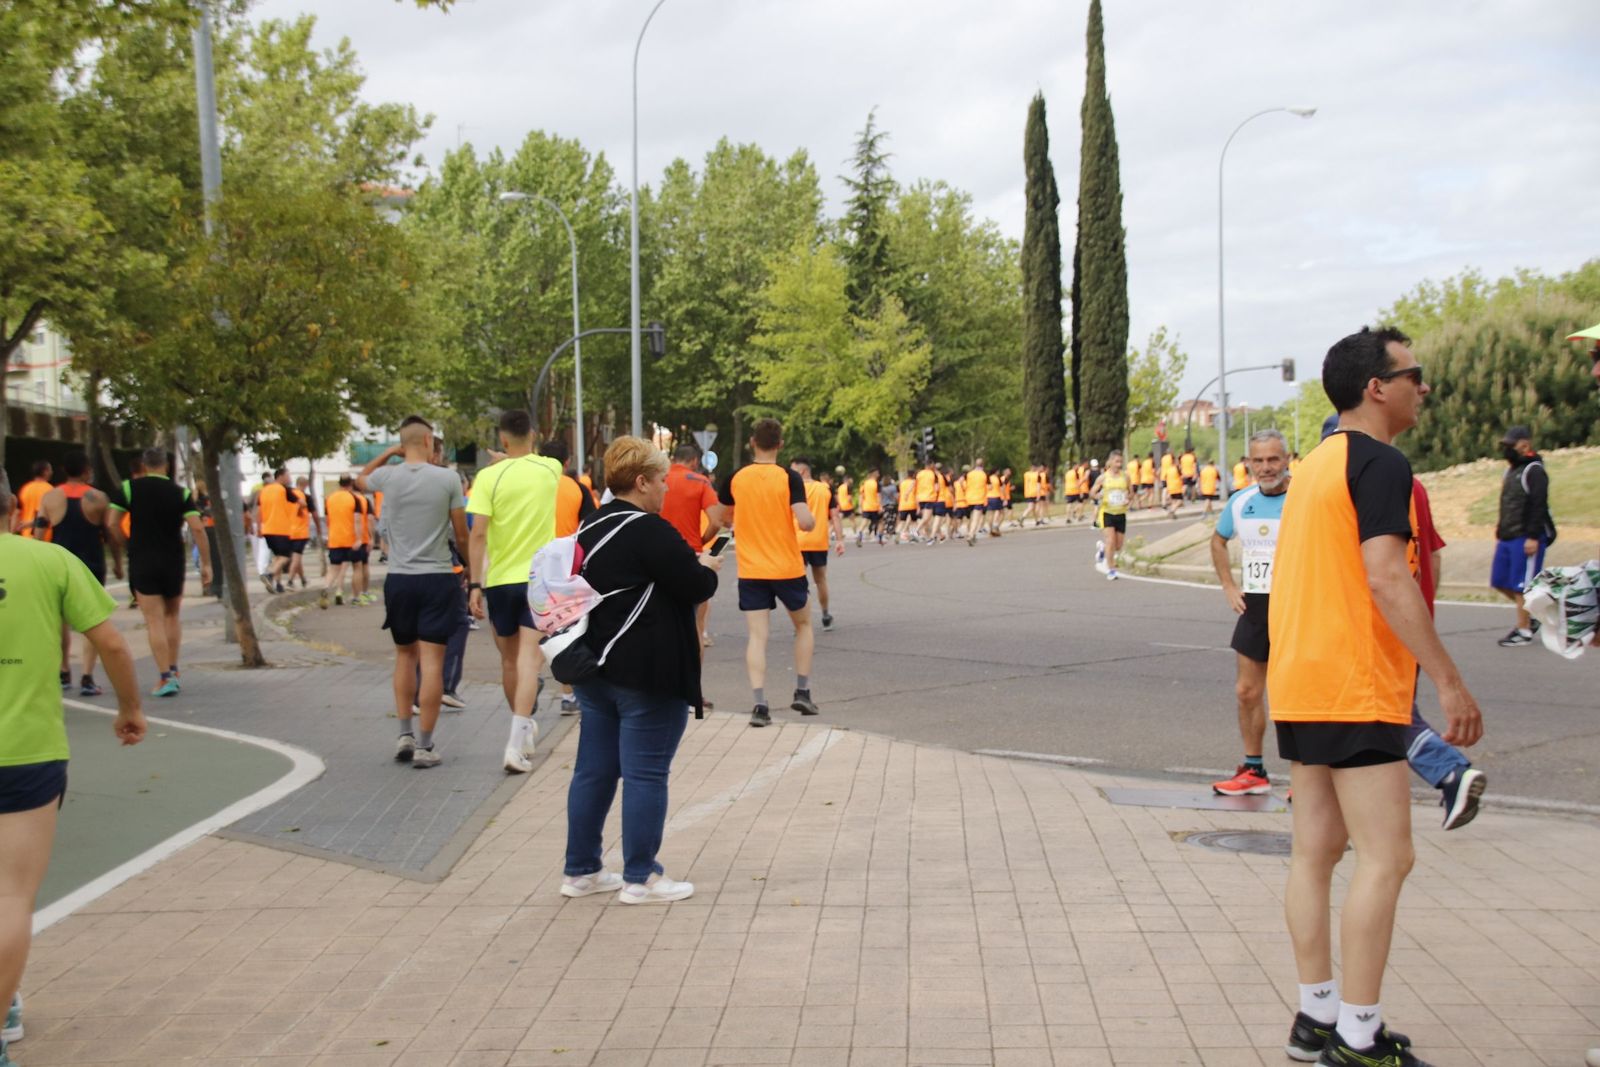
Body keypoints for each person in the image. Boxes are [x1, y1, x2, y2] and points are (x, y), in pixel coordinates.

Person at [1268, 326, 1482, 1066]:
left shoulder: (1317, 464)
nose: (1423, 386)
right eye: (1413, 374)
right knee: (1387, 857)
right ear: (1376, 387)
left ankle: (1314, 1017)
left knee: (1316, 851)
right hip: (1355, 685)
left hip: (1299, 682)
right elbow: (1388, 577)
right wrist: (1449, 679)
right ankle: (1358, 1035)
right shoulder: (1380, 462)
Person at [0, 472, 146, 1067]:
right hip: (27, 749)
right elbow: (111, 644)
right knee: (11, 895)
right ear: (13, 506)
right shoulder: (50, 561)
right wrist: (130, 709)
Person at [560, 437, 720, 905]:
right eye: (662, 480)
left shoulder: (591, 525)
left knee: (593, 770)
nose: (667, 489)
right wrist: (708, 565)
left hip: (593, 667)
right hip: (647, 671)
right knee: (646, 773)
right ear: (642, 481)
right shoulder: (650, 529)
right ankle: (640, 876)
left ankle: (581, 869)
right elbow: (693, 585)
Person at [358, 416, 469, 770]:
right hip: (437, 576)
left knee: (404, 657)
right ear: (427, 440)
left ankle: (404, 734)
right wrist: (468, 567)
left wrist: (390, 453)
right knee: (433, 661)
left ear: (404, 443)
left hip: (400, 579)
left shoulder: (388, 477)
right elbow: (460, 531)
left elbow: (360, 479)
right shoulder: (449, 478)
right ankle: (425, 745)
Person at [465, 410, 563, 773]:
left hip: (500, 581)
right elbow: (529, 460)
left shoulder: (487, 478)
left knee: (509, 662)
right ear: (534, 436)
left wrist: (475, 583)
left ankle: (521, 727)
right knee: (529, 662)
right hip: (539, 580)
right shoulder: (550, 469)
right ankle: (515, 743)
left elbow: (477, 534)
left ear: (502, 439)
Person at [714, 418, 818, 727]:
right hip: (787, 567)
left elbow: (721, 519)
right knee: (803, 626)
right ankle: (802, 691)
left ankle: (759, 704)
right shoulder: (789, 478)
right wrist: (809, 520)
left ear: (752, 442)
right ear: (780, 445)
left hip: (751, 569)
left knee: (757, 636)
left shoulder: (735, 478)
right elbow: (805, 521)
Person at [1208, 430, 1291, 797]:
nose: (1266, 467)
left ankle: (1309, 778)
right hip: (1257, 606)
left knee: (1297, 695)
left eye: (1273, 459)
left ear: (1287, 460)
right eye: (1258, 460)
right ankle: (1253, 770)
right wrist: (1228, 585)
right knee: (1246, 691)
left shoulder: (1305, 499)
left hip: (1298, 607)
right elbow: (1217, 540)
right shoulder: (1241, 502)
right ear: (1249, 463)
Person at [107, 447, 212, 697]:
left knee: (153, 620)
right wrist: (206, 564)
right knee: (172, 616)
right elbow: (197, 528)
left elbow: (112, 522)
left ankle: (164, 676)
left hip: (143, 559)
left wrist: (126, 543)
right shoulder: (182, 493)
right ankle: (174, 670)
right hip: (173, 560)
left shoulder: (129, 489)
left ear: (144, 465)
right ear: (165, 465)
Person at [37, 451, 121, 697]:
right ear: (86, 471)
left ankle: (64, 672)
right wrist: (118, 563)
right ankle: (87, 676)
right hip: (91, 564)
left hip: (58, 565)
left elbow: (40, 533)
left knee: (60, 621)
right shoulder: (98, 498)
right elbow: (108, 535)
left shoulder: (50, 497)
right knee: (91, 621)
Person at [661, 444, 722, 679]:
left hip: (659, 554)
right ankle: (692, 687)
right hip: (692, 556)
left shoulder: (657, 479)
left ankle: (666, 682)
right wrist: (701, 540)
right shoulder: (700, 482)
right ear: (695, 461)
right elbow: (716, 521)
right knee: (696, 625)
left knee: (662, 622)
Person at [1489, 425, 1553, 647]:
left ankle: (1524, 630)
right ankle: (1532, 615)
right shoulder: (1510, 471)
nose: (1506, 450)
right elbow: (1507, 503)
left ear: (1525, 445)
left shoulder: (1534, 470)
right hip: (1507, 536)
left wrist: (1533, 537)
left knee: (1521, 586)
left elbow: (1538, 505)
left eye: (1510, 445)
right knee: (1499, 581)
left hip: (1526, 537)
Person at [792, 460, 843, 631]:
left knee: (799, 583)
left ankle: (801, 622)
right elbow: (835, 516)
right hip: (819, 541)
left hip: (797, 541)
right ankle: (826, 615)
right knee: (820, 580)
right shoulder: (825, 489)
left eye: (793, 470)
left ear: (803, 471)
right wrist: (840, 540)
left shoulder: (792, 489)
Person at [255, 468, 305, 595]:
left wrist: (259, 527)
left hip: (267, 529)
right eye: (288, 476)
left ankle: (278, 585)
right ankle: (270, 575)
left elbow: (259, 510)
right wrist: (300, 507)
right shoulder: (284, 490)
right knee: (285, 556)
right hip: (280, 529)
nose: (290, 479)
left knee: (278, 556)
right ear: (281, 476)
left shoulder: (264, 491)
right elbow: (301, 502)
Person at [1088, 452, 1130, 580]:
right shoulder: (1103, 478)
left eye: (1120, 462)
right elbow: (1092, 492)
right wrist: (1097, 496)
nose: (1119, 464)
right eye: (1117, 461)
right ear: (1110, 462)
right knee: (1111, 541)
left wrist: (1128, 499)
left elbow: (1131, 492)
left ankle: (1102, 548)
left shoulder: (1126, 477)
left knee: (1118, 546)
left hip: (1121, 513)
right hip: (1107, 513)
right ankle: (1111, 570)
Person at [319, 475, 360, 609]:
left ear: (339, 483)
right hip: (349, 539)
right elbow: (357, 520)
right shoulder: (354, 498)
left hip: (334, 539)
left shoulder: (330, 498)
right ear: (350, 484)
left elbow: (327, 519)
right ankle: (339, 591)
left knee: (333, 568)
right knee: (345, 566)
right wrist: (358, 538)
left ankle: (326, 586)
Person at [287, 475, 319, 590]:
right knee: (296, 557)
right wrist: (318, 527)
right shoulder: (306, 497)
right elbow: (315, 514)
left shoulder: (289, 496)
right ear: (305, 485)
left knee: (296, 557)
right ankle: (290, 580)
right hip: (300, 532)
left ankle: (303, 579)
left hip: (287, 531)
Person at [13, 462, 51, 538]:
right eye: (50, 470)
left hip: (25, 535)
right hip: (44, 537)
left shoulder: (25, 489)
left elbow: (17, 512)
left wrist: (13, 532)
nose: (52, 472)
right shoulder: (50, 490)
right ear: (45, 471)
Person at [858, 468, 882, 546]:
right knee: (880, 521)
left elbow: (861, 496)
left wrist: (860, 506)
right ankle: (879, 537)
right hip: (874, 506)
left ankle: (860, 534)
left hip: (866, 506)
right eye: (877, 473)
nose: (878, 474)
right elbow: (878, 496)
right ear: (874, 474)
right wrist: (880, 506)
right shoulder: (876, 483)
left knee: (865, 521)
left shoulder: (865, 483)